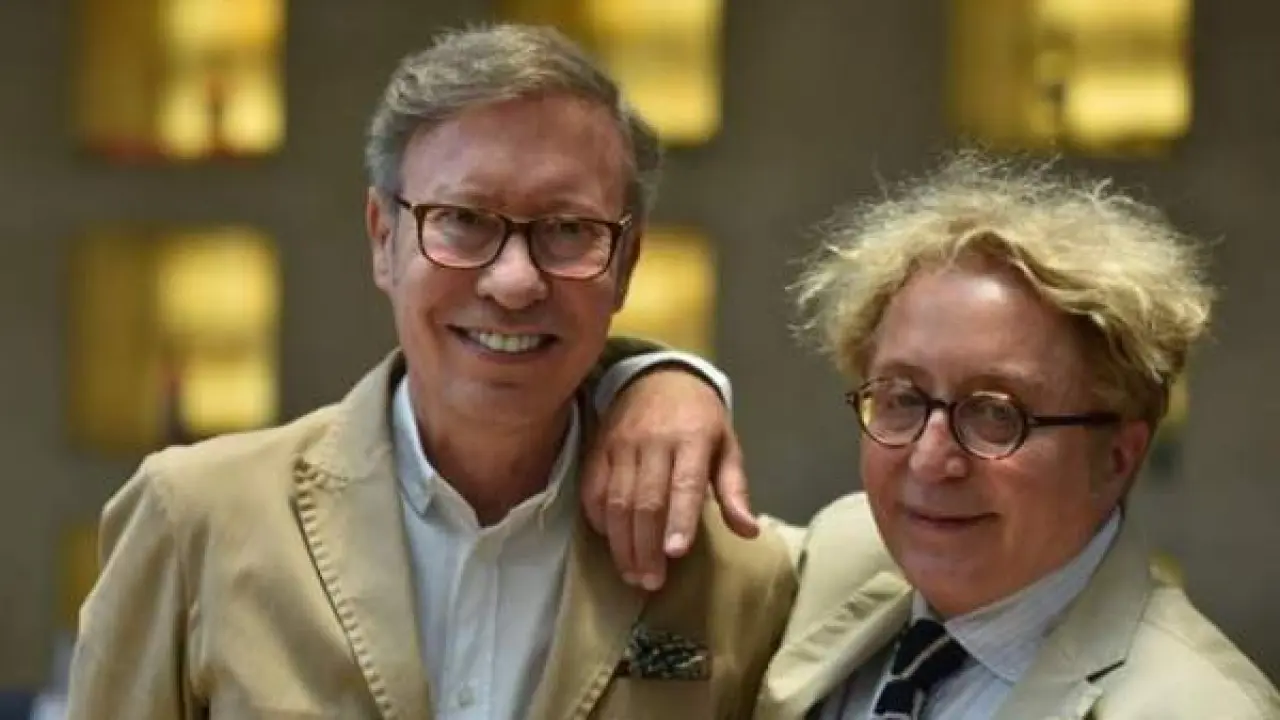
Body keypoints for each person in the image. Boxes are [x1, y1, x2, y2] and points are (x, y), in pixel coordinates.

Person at [65, 25, 796, 720]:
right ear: (384, 239)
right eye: (464, 219)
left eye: (568, 229)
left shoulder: (732, 571)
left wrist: (671, 375)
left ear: (626, 264)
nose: (515, 281)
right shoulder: (196, 521)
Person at [586, 153, 1280, 718]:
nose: (929, 458)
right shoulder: (846, 553)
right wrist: (660, 378)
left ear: (1117, 457)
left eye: (996, 414)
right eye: (901, 399)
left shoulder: (1201, 708)